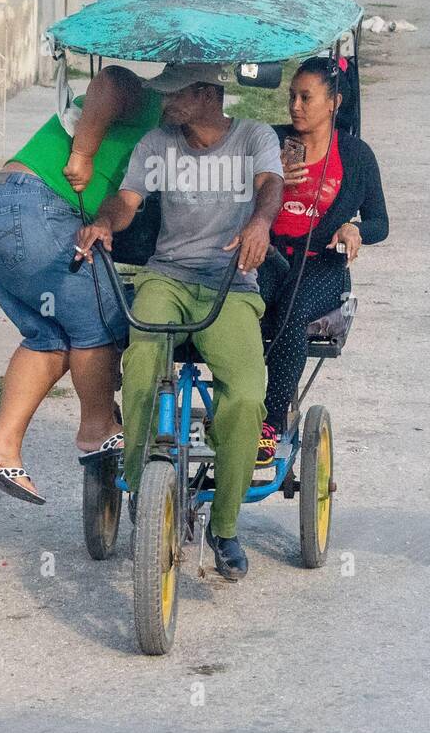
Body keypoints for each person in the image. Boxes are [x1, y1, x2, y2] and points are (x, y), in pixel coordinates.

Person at [76, 63, 284, 581]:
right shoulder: (157, 142)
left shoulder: (253, 136)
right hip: (166, 278)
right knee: (143, 359)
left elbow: (271, 186)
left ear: (206, 94)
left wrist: (260, 222)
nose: (162, 102)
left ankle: (226, 524)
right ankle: (140, 485)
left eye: (172, 94)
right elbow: (127, 201)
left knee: (245, 393)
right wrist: (104, 222)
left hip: (230, 282)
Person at [0, 62, 161, 504]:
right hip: (34, 207)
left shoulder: (167, 140)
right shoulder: (152, 101)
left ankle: (0, 444)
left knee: (49, 335)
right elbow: (109, 81)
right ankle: (98, 428)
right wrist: (83, 156)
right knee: (103, 316)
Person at [258, 55, 388, 455]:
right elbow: (231, 200)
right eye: (292, 97)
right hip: (268, 254)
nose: (295, 106)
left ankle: (272, 420)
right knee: (244, 306)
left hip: (322, 265)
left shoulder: (356, 155)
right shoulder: (268, 142)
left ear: (333, 102)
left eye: (306, 97)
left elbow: (380, 222)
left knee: (293, 313)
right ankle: (237, 406)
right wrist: (268, 176)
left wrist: (355, 229)